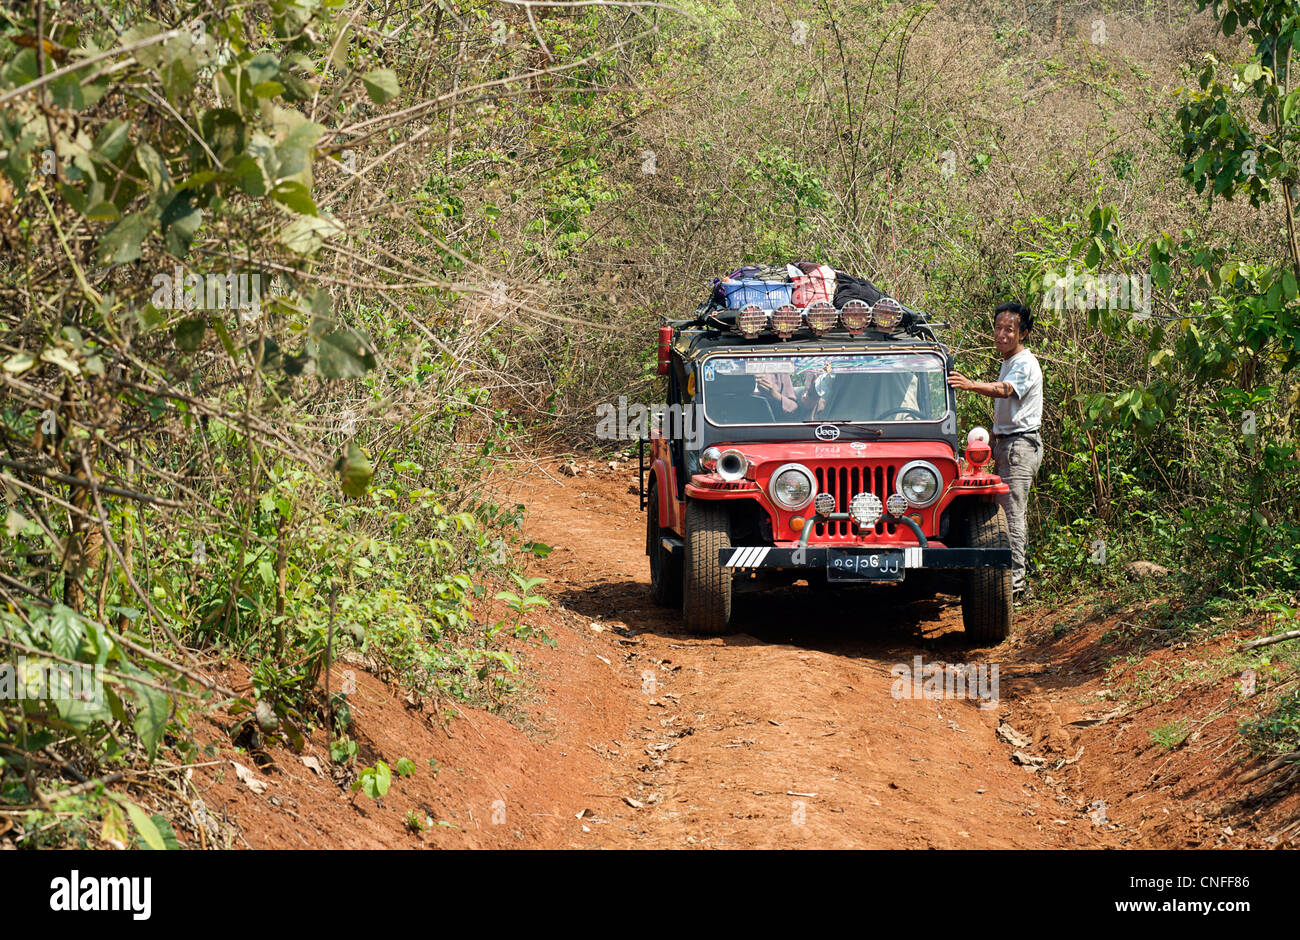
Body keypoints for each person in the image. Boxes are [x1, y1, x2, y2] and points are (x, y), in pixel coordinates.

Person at [946, 301, 1043, 600]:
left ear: (1023, 333)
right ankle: (1005, 580)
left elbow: (1005, 390)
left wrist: (970, 384)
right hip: (1005, 444)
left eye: (1009, 329)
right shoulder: (1009, 360)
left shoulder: (1025, 363)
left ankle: (1015, 585)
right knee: (1002, 513)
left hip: (1019, 445)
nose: (1001, 334)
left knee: (1013, 515)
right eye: (998, 328)